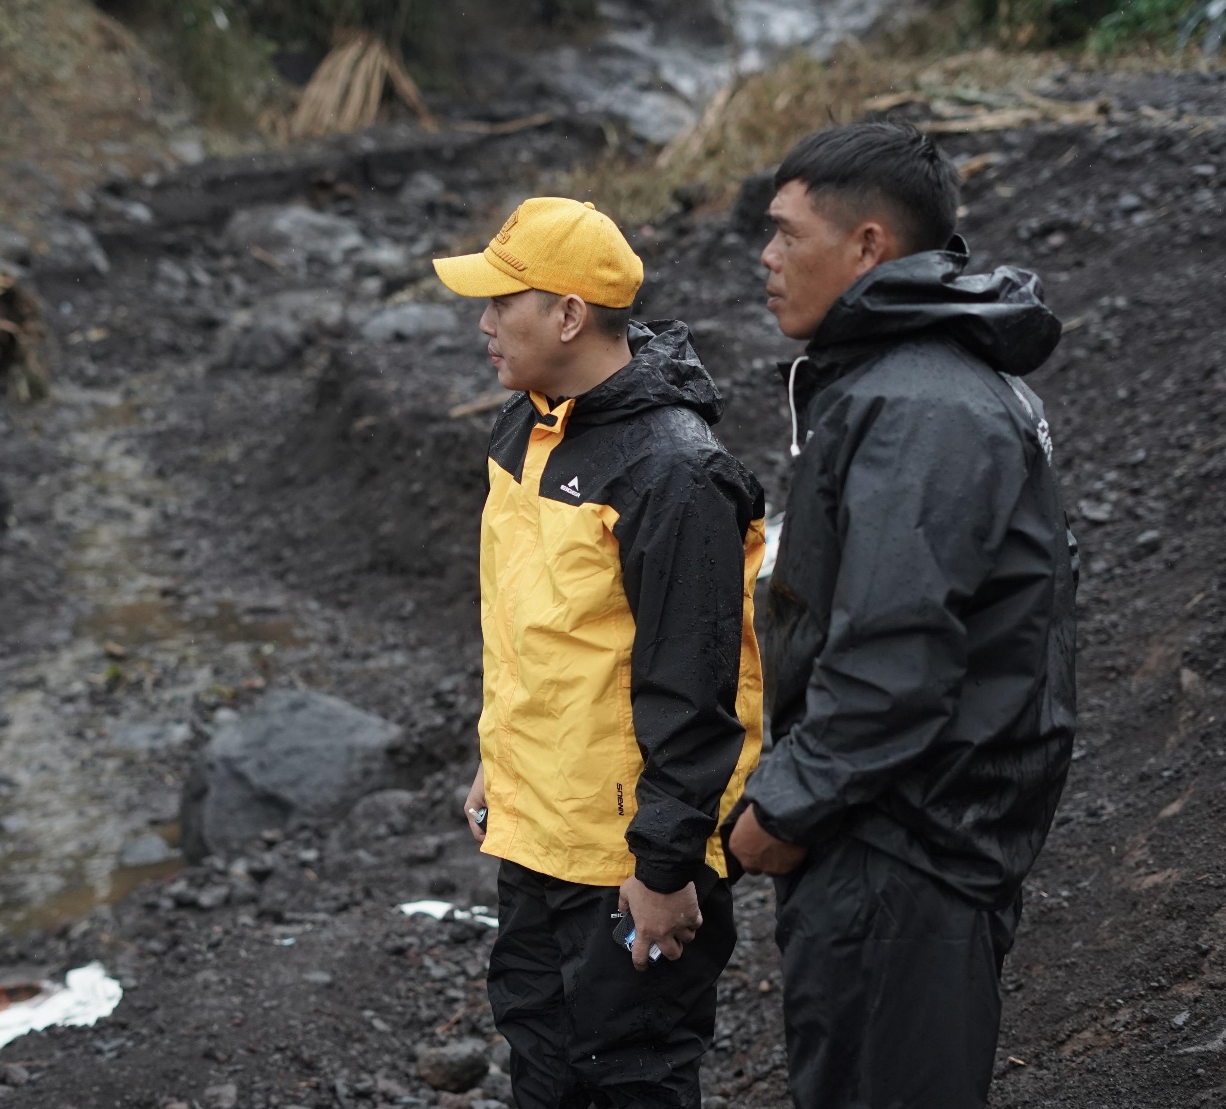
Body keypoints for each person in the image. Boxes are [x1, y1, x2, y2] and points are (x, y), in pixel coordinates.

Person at [727, 121, 1079, 1109]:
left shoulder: (921, 402)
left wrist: (782, 806)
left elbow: (893, 649)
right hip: (893, 824)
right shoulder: (902, 381)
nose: (765, 258)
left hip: (900, 836)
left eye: (784, 233)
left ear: (868, 244)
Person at [434, 197, 767, 1108]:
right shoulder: (527, 427)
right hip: (538, 831)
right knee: (541, 1058)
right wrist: (497, 756)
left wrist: (664, 868)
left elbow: (697, 685)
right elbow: (539, 632)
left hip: (624, 858)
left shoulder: (674, 470)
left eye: (504, 302)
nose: (484, 322)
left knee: (631, 1074)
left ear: (570, 315)